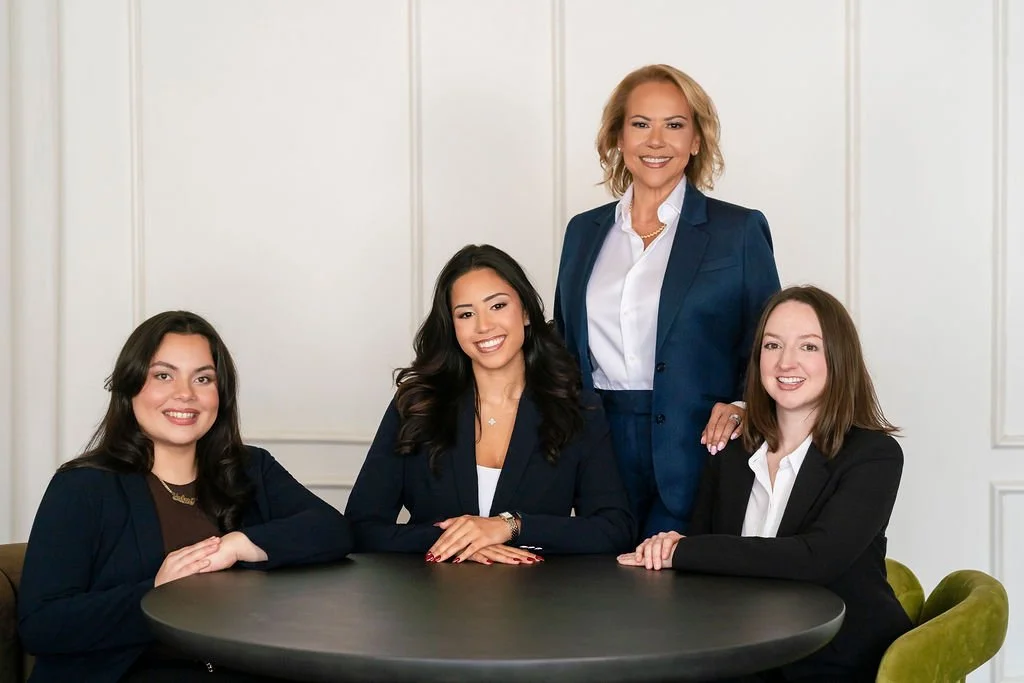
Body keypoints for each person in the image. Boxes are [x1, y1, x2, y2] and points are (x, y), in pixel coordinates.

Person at [18, 311, 353, 683]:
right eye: (163, 375)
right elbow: (41, 625)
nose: (185, 394)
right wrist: (157, 593)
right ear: (130, 388)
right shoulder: (83, 486)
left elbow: (333, 530)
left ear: (220, 394)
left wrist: (240, 544)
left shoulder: (250, 467)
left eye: (203, 378)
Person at [618, 286, 912, 682]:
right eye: (772, 345)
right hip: (742, 651)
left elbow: (815, 558)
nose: (786, 362)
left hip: (840, 659)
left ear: (838, 359)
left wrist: (682, 551)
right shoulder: (730, 451)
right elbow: (702, 563)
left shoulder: (874, 455)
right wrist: (671, 553)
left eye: (808, 347)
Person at [554, 63, 781, 538]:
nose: (656, 141)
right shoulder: (583, 232)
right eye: (641, 124)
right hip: (598, 445)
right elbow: (563, 349)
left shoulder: (737, 231)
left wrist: (743, 404)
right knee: (601, 593)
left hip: (700, 446)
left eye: (674, 125)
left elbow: (768, 343)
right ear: (618, 136)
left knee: (681, 597)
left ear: (696, 140)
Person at [345, 244, 635, 563]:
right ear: (452, 327)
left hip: (542, 604)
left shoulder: (577, 408)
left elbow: (614, 529)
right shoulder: (417, 405)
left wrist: (510, 528)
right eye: (466, 314)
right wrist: (458, 540)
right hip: (431, 603)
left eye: (497, 306)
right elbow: (360, 527)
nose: (484, 326)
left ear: (525, 312)